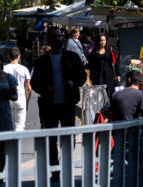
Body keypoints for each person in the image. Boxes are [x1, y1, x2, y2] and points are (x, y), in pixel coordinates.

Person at [31, 26, 88, 168]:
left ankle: (66, 165)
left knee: (69, 137)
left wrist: (73, 83)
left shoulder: (72, 57)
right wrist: (46, 89)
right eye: (54, 36)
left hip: (68, 104)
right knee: (50, 139)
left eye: (59, 36)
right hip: (49, 106)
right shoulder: (42, 61)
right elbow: (34, 83)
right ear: (49, 39)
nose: (57, 39)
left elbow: (82, 76)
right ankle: (55, 169)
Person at [4, 47, 31, 132]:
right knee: (19, 125)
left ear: (9, 57)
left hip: (7, 98)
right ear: (19, 57)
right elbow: (28, 88)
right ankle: (17, 139)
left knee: (7, 124)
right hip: (20, 97)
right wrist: (27, 101)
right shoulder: (24, 69)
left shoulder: (4, 69)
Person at [86, 34, 119, 101]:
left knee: (109, 92)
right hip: (98, 75)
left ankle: (110, 106)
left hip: (109, 74)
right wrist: (91, 78)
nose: (102, 42)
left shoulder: (111, 50)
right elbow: (92, 65)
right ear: (98, 41)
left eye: (104, 40)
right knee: (99, 93)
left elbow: (116, 62)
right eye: (101, 40)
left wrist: (118, 74)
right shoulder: (94, 51)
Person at [0, 67, 17, 173]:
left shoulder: (9, 77)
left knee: (2, 146)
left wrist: (8, 95)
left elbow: (15, 96)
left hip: (3, 114)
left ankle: (0, 173)